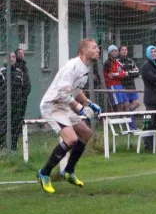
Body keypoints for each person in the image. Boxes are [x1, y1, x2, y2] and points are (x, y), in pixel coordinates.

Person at [36, 39, 102, 193]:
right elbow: (63, 92)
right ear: (84, 51)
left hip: (64, 104)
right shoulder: (73, 66)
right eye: (94, 47)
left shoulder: (85, 68)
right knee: (71, 139)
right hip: (52, 105)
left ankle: (68, 171)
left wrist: (89, 104)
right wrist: (80, 109)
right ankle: (44, 173)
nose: (98, 50)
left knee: (86, 133)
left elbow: (75, 91)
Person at [141, 45, 156, 151]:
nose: (153, 53)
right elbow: (152, 79)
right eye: (151, 52)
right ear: (147, 53)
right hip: (150, 97)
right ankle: (147, 143)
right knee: (149, 121)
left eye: (154, 51)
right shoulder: (146, 66)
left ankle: (153, 143)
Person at [1, 52, 27, 151]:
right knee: (3, 126)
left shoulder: (20, 72)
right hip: (4, 105)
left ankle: (13, 147)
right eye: (9, 57)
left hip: (17, 105)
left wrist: (21, 100)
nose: (12, 59)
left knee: (15, 127)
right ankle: (2, 147)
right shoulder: (1, 72)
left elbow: (25, 87)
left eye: (13, 57)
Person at [12, 48, 30, 149]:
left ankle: (15, 142)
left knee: (19, 119)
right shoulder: (17, 68)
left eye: (23, 53)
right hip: (17, 99)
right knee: (15, 121)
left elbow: (26, 83)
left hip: (23, 99)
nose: (22, 54)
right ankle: (12, 144)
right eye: (19, 53)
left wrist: (26, 93)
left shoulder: (24, 66)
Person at [118, 45, 141, 121]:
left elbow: (137, 73)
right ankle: (125, 123)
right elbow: (121, 75)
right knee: (125, 105)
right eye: (122, 50)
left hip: (132, 86)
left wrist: (127, 73)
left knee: (137, 103)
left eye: (125, 50)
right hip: (123, 86)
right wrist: (130, 73)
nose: (124, 51)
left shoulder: (131, 61)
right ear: (119, 52)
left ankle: (127, 115)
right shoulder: (117, 62)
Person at [103, 45, 128, 112]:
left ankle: (128, 121)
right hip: (112, 85)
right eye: (112, 51)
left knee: (126, 104)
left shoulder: (118, 63)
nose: (114, 52)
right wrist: (119, 74)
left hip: (119, 85)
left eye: (115, 51)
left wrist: (117, 74)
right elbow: (111, 75)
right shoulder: (107, 63)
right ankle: (119, 121)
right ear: (109, 53)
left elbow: (123, 74)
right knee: (119, 105)